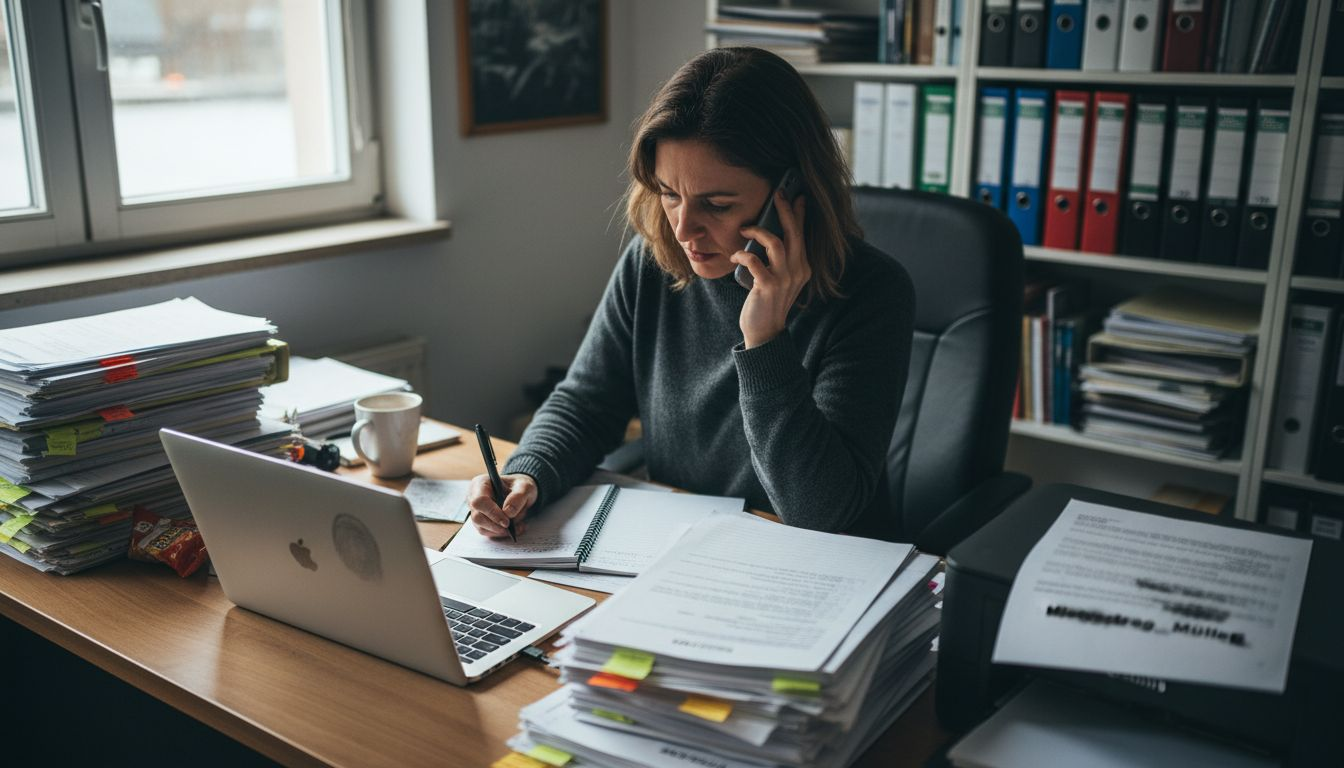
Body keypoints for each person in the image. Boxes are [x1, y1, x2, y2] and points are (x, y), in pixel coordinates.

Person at [467, 47, 914, 540]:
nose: (683, 229)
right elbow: (587, 403)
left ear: (792, 191)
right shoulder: (653, 260)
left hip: (819, 570)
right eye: (670, 193)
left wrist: (765, 340)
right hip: (682, 547)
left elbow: (821, 513)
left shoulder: (872, 294)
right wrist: (529, 472)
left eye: (716, 205)